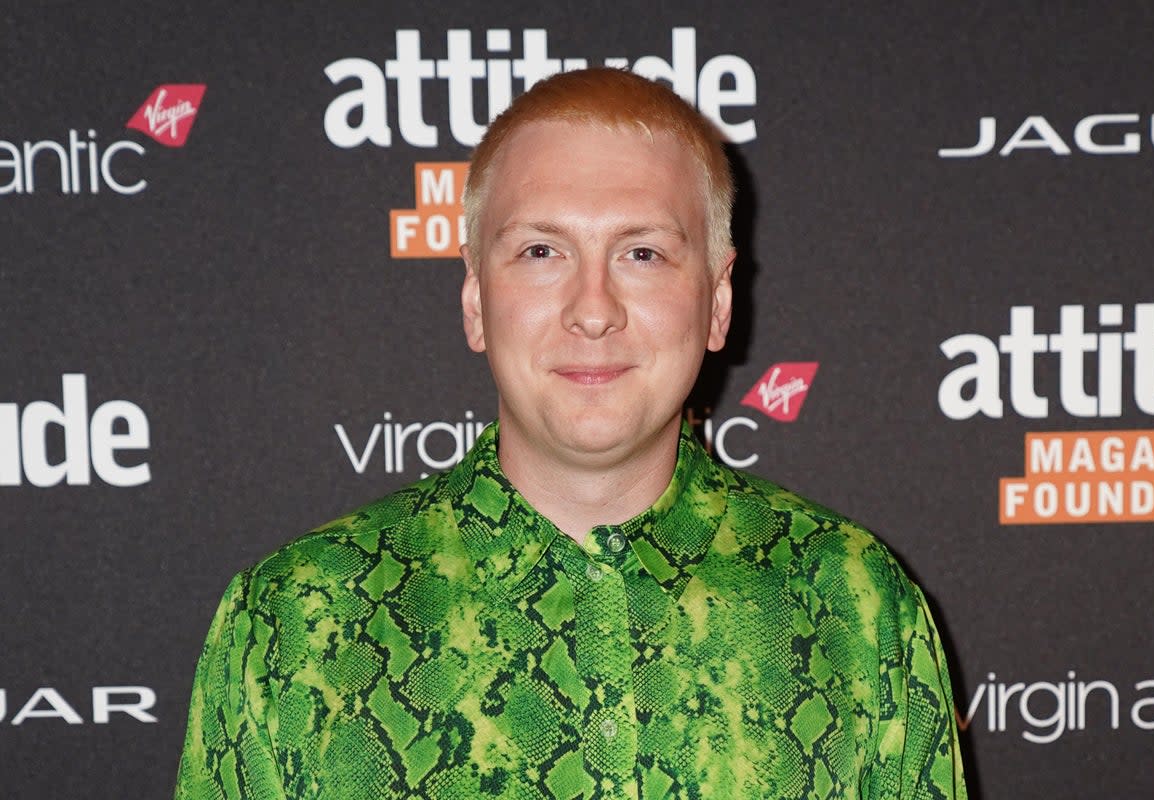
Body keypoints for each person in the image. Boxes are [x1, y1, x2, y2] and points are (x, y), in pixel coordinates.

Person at [175, 67, 966, 799]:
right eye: (542, 251)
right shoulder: (292, 621)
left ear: (718, 303)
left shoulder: (857, 604)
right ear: (477, 300)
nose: (594, 310)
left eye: (644, 253)